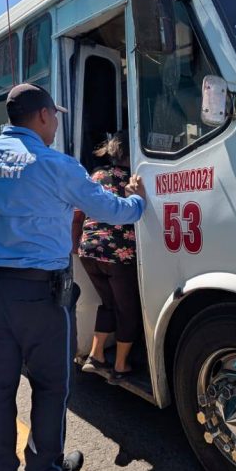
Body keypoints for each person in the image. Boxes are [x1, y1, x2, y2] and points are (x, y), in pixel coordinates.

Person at [0, 83, 146, 471]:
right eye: (54, 116)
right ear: (41, 116)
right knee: (50, 388)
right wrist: (137, 201)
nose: (56, 123)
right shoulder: (56, 164)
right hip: (40, 298)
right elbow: (111, 210)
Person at [74, 132, 142, 383]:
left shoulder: (96, 175)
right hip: (117, 253)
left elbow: (80, 211)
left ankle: (96, 355)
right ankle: (121, 365)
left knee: (109, 303)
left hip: (89, 250)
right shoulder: (133, 179)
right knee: (127, 309)